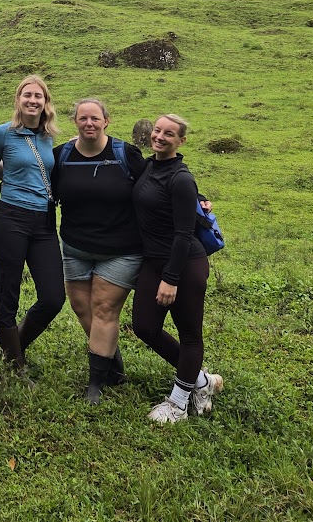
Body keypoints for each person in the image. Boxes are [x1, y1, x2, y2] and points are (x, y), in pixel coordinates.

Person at [51, 99, 148, 404]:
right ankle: (113, 365)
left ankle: (96, 384)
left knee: (104, 309)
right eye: (83, 118)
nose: (89, 123)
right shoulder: (62, 155)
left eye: (95, 118)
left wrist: (194, 197)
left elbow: (155, 182)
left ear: (107, 121)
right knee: (83, 309)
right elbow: (40, 184)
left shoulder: (125, 154)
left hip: (120, 249)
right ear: (75, 121)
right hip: (75, 246)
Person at [131, 114, 223, 423]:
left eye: (169, 134)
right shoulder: (148, 166)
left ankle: (179, 403)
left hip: (184, 264)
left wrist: (171, 279)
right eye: (157, 130)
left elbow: (184, 234)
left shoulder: (181, 177)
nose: (160, 136)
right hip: (153, 261)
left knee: (189, 334)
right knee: (144, 326)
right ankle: (202, 382)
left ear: (181, 141)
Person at [0, 75, 64, 379]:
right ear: (18, 100)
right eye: (27, 95)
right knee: (8, 295)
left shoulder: (50, 137)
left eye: (38, 96)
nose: (32, 100)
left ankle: (13, 348)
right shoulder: (3, 134)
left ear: (45, 102)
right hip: (10, 219)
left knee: (54, 297)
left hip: (44, 223)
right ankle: (16, 364)